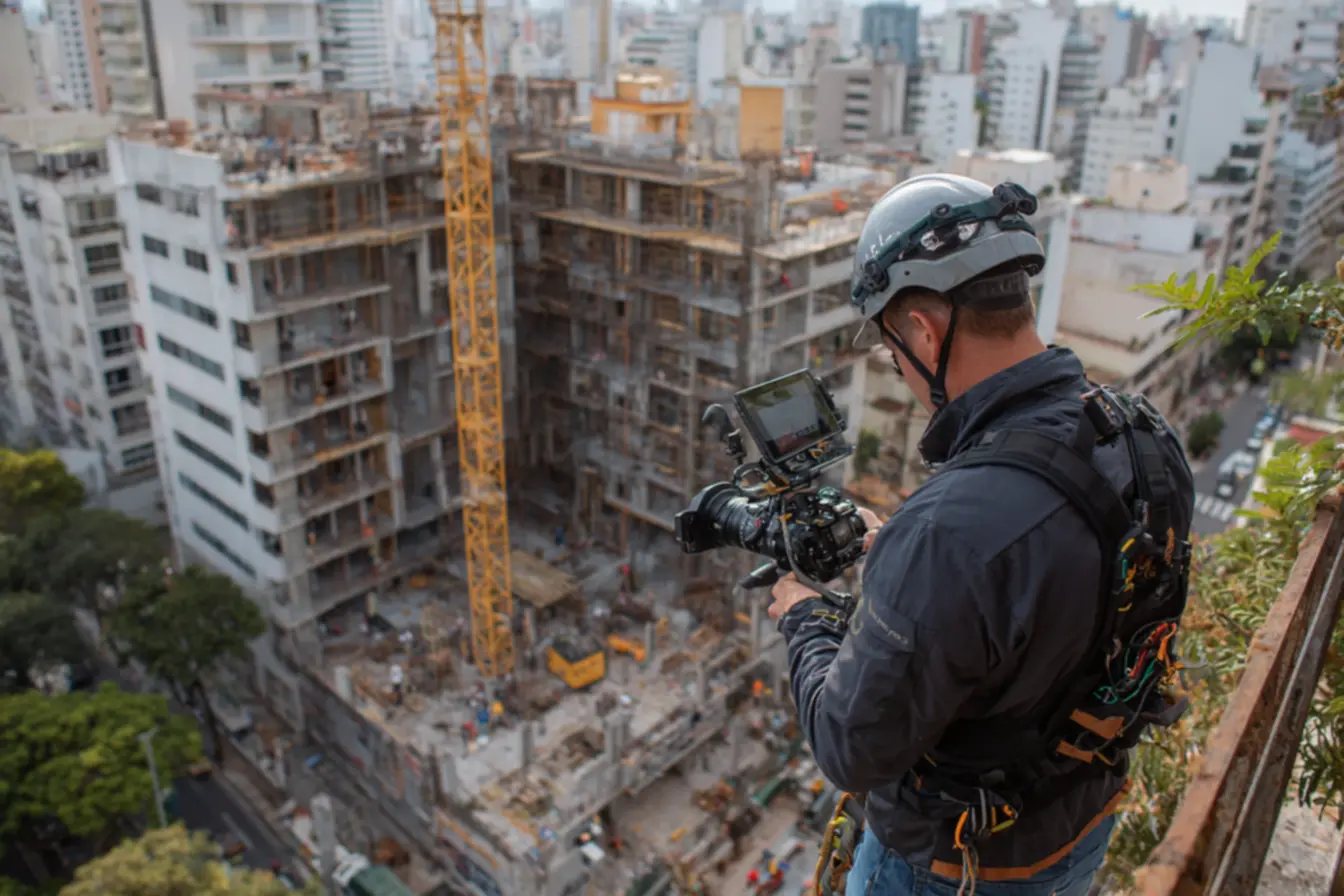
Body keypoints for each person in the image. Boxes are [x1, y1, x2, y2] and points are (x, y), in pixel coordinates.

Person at [767, 175, 1194, 896]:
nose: (901, 372)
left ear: (923, 331)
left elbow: (849, 746)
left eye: (892, 352)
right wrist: (908, 560)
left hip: (954, 868)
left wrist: (804, 617)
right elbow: (1052, 589)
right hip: (1079, 824)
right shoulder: (1141, 434)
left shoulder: (950, 533)